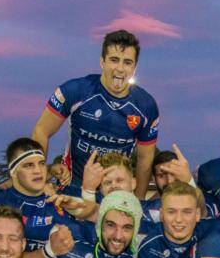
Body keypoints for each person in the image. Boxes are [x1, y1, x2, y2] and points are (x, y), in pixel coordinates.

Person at [31, 29, 159, 199]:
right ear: (102, 62)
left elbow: (145, 159)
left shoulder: (146, 106)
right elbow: (41, 131)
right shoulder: (75, 90)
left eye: (127, 62)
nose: (120, 69)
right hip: (73, 187)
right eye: (114, 60)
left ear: (134, 68)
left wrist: (139, 200)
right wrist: (39, 184)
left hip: (116, 193)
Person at [142, 149, 220, 223]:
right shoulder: (145, 211)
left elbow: (202, 215)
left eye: (173, 174)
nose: (169, 181)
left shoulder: (209, 201)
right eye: (161, 176)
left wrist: (189, 181)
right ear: (154, 179)